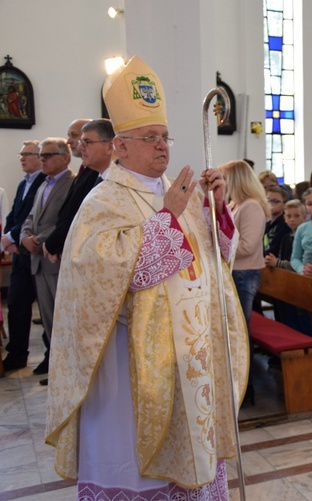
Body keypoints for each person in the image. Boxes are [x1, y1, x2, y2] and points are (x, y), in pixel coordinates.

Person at [45, 55, 249, 498]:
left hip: (188, 357)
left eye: (164, 136)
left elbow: (218, 262)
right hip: (129, 365)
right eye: (149, 138)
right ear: (120, 146)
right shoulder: (103, 201)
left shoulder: (183, 189)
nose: (162, 146)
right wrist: (168, 218)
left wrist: (216, 212)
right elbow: (103, 280)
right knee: (139, 469)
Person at [19, 138, 75, 381]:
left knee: (63, 319)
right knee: (49, 319)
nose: (42, 159)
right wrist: (24, 237)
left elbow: (63, 222)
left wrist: (38, 240)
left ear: (65, 157)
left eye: (48, 155)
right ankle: (56, 367)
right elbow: (31, 217)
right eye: (41, 155)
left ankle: (66, 371)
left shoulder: (71, 183)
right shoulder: (43, 184)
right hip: (37, 261)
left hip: (54, 259)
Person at [1, 140, 46, 371]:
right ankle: (17, 354)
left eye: (27, 154)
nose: (22, 158)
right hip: (19, 252)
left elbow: (35, 217)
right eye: (21, 154)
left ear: (40, 157)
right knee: (17, 304)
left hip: (37, 253)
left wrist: (13, 237)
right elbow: (13, 215)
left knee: (46, 309)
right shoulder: (23, 183)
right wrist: (8, 236)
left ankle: (50, 356)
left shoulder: (45, 182)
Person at [43, 119, 114, 267]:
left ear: (110, 146)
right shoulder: (99, 177)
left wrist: (54, 243)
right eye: (81, 141)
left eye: (87, 141)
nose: (81, 147)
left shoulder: (115, 182)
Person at [219, 159, 268, 325]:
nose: (221, 183)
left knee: (240, 326)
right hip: (235, 270)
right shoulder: (235, 204)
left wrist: (219, 250)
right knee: (234, 325)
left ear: (235, 180)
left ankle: (246, 353)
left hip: (245, 272)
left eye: (224, 178)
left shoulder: (251, 206)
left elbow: (247, 246)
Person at [265, 199, 305, 270]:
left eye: (297, 216)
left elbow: (302, 263)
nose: (292, 219)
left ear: (304, 217)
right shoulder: (285, 237)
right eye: (289, 216)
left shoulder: (305, 237)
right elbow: (281, 256)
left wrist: (278, 263)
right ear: (285, 218)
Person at [264, 185, 291, 256]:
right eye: (268, 200)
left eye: (275, 201)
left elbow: (275, 249)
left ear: (284, 205)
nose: (270, 204)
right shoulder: (267, 224)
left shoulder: (285, 224)